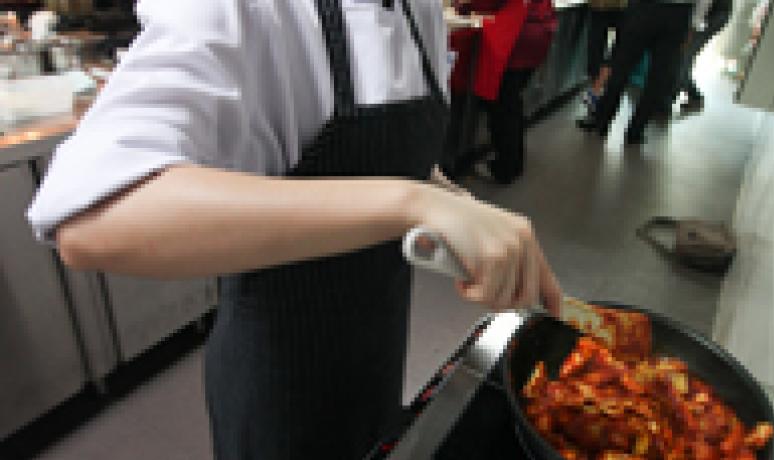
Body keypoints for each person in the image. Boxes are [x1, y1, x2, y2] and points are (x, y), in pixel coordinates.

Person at [27, 0, 562, 458]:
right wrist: (411, 201)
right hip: (280, 381)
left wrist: (456, 204)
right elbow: (90, 215)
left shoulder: (416, 9)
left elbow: (400, 157)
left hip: (377, 348)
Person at [447, 0, 556, 184]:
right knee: (512, 103)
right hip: (538, 33)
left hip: (517, 36)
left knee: (502, 106)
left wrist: (465, 6)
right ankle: (514, 162)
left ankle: (504, 168)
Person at [579, 0, 711, 145]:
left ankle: (601, 121)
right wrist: (694, 24)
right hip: (678, 13)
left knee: (621, 67)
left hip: (643, 8)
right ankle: (635, 131)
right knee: (658, 76)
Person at [672, 0, 733, 111]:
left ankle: (671, 99)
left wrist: (693, 27)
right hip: (710, 12)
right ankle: (691, 95)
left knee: (684, 56)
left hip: (711, 14)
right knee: (683, 55)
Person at [583, 0, 629, 114]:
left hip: (622, 8)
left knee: (614, 51)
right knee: (598, 50)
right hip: (602, 7)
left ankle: (597, 92)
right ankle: (595, 92)